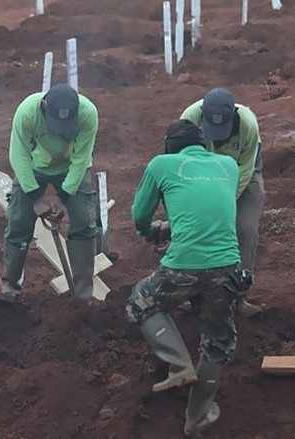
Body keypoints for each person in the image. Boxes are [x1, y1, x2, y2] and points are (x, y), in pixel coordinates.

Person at [126, 120, 252, 437]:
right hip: (228, 268)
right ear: (203, 145)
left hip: (183, 266)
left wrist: (149, 231)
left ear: (169, 147)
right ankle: (196, 419)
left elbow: (140, 214)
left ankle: (179, 365)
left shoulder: (161, 164)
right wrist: (175, 226)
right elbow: (208, 205)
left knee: (140, 303)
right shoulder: (228, 165)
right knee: (217, 345)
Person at [0, 83, 99, 303]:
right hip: (35, 166)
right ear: (44, 107)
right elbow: (19, 156)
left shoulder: (88, 113)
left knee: (84, 221)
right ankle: (10, 288)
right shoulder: (27, 112)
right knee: (18, 222)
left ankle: (84, 295)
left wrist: (63, 197)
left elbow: (82, 158)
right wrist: (35, 197)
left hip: (72, 167)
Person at [181, 88, 264, 316]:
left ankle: (239, 296)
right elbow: (182, 165)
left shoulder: (248, 124)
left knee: (246, 228)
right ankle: (193, 293)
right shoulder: (189, 119)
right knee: (197, 227)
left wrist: (224, 203)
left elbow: (246, 170)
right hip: (201, 176)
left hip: (242, 175)